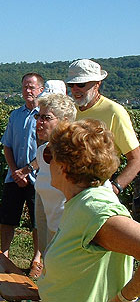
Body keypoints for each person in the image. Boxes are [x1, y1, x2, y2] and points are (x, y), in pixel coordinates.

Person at [38, 119, 140, 302]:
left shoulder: (94, 207)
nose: (46, 162)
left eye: (48, 155)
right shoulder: (79, 203)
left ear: (63, 166)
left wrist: (123, 298)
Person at [66, 59, 140, 220]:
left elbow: (136, 159)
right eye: (72, 85)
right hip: (70, 193)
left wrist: (114, 188)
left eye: (81, 84)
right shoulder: (70, 111)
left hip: (98, 194)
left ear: (97, 84)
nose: (75, 89)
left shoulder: (114, 112)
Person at [0, 72, 44, 278]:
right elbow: (7, 145)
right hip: (14, 176)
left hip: (39, 178)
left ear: (41, 90)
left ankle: (37, 259)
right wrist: (15, 171)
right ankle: (4, 254)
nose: (28, 90)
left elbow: (48, 149)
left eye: (32, 87)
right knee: (8, 217)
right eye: (25, 86)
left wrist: (28, 171)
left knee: (37, 221)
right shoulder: (15, 115)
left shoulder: (45, 117)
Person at [32, 92, 76, 252]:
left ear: (65, 121)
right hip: (52, 231)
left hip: (73, 237)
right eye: (38, 116)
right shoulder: (42, 151)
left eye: (46, 118)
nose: (39, 122)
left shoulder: (77, 154)